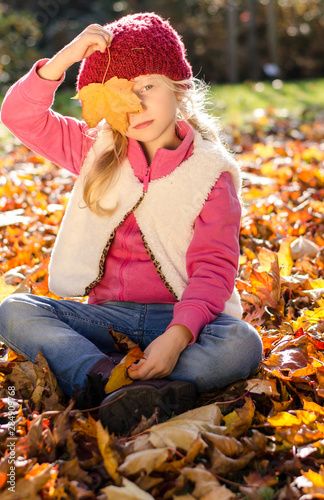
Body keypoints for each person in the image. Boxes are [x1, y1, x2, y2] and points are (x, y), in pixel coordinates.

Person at [0, 13, 263, 434]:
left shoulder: (211, 173)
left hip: (180, 320)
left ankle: (137, 387)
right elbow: (19, 116)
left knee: (242, 344)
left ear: (179, 85)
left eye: (148, 86)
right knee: (14, 310)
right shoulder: (95, 151)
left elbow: (214, 268)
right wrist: (66, 58)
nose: (136, 105)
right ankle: (108, 378)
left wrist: (177, 337)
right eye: (121, 92)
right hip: (108, 320)